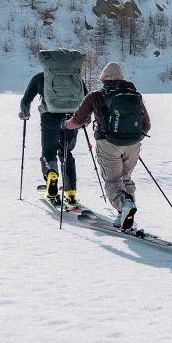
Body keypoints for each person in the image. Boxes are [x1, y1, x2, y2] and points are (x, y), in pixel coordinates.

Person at [63, 62, 150, 229]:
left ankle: (124, 206)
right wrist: (132, 137)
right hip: (133, 145)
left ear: (103, 79)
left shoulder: (96, 96)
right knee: (126, 178)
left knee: (113, 181)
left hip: (108, 144)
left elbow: (78, 120)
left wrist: (65, 125)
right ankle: (124, 213)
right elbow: (146, 124)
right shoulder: (134, 95)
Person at [19, 49, 87, 209]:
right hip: (72, 117)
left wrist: (25, 114)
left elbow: (26, 99)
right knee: (66, 153)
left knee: (48, 152)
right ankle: (70, 193)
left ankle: (51, 174)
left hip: (50, 117)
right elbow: (86, 97)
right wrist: (84, 118)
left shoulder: (41, 77)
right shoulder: (75, 77)